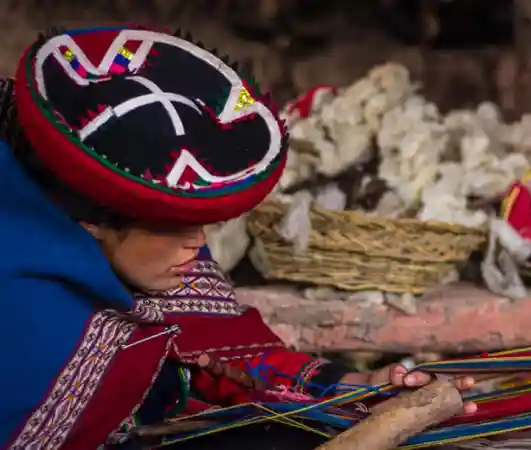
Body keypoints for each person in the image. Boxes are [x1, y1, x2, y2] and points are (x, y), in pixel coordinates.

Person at [0, 26, 474, 450]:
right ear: (91, 219)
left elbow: (223, 356)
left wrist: (356, 386)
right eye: (171, 223)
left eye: (201, 224)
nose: (197, 244)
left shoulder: (149, 253)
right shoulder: (22, 311)